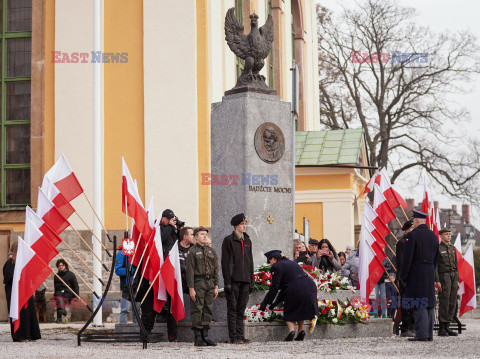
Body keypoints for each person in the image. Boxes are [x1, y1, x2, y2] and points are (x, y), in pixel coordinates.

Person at [258, 250, 319, 341]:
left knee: (290, 308)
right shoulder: (291, 262)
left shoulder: (276, 266)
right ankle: (301, 331)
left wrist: (265, 303)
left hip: (296, 287)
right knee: (300, 307)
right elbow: (284, 289)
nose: (270, 264)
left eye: (269, 261)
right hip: (309, 286)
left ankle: (291, 331)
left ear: (274, 259)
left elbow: (275, 287)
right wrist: (274, 304)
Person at [401, 210, 439, 342]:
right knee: (429, 303)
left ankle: (421, 334)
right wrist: (431, 271)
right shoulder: (434, 236)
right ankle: (429, 334)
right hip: (429, 272)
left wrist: (404, 276)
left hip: (416, 273)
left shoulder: (412, 236)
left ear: (417, 220)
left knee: (419, 303)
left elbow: (407, 259)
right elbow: (436, 258)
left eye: (413, 221)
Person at [221, 213, 254, 344]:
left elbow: (250, 262)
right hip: (234, 280)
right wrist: (227, 281)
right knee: (233, 309)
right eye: (242, 224)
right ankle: (233, 336)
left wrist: (251, 281)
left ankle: (240, 335)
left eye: (245, 224)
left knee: (241, 309)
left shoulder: (247, 240)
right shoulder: (228, 240)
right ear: (235, 226)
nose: (244, 226)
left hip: (246, 280)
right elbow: (225, 262)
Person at [186, 227, 219, 346]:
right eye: (201, 234)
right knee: (197, 309)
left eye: (206, 234)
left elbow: (216, 269)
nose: (205, 236)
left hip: (210, 283)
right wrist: (191, 288)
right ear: (195, 237)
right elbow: (189, 271)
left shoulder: (211, 251)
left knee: (207, 309)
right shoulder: (192, 251)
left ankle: (205, 336)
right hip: (198, 282)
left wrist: (216, 286)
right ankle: (198, 337)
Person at [3, 242, 41, 341]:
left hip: (26, 291)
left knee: (29, 313)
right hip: (15, 293)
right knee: (19, 314)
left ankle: (31, 334)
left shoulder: (24, 262)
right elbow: (9, 277)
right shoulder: (9, 263)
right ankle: (20, 336)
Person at [166, 226, 195, 342]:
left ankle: (199, 333)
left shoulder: (194, 249)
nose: (193, 236)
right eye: (192, 234)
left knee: (200, 300)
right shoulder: (174, 249)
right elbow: (169, 264)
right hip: (176, 282)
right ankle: (172, 334)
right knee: (172, 307)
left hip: (191, 282)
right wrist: (185, 268)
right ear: (185, 236)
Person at [435, 227, 459, 337]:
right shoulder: (438, 248)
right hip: (444, 276)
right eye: (446, 234)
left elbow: (456, 264)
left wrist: (457, 280)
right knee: (444, 300)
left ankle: (448, 325)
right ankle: (442, 328)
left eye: (449, 234)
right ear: (441, 236)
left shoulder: (453, 248)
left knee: (452, 301)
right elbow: (435, 266)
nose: (448, 236)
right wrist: (437, 280)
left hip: (453, 276)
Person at [395, 219, 415, 337]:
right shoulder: (402, 242)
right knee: (406, 303)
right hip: (404, 277)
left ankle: (412, 326)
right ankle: (406, 327)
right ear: (407, 230)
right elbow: (401, 262)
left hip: (412, 277)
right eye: (412, 229)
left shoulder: (413, 241)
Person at [115, 243, 140, 324]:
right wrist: (132, 270)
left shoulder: (138, 252)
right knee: (125, 310)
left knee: (137, 311)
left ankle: (137, 332)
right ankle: (123, 333)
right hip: (126, 286)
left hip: (137, 286)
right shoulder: (121, 253)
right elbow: (118, 270)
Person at [53, 259, 79, 323]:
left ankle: (60, 316)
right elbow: (55, 287)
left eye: (62, 265)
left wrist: (76, 296)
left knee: (59, 298)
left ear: (65, 266)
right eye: (59, 266)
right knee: (58, 296)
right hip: (59, 292)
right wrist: (55, 294)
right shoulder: (56, 276)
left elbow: (75, 285)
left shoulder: (71, 274)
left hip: (68, 293)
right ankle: (62, 312)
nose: (61, 267)